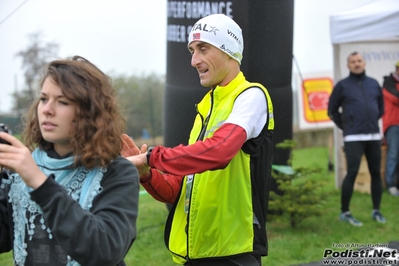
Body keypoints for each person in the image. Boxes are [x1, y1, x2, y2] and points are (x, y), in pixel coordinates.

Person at [121, 14, 274, 266]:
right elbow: (178, 191)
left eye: (203, 48)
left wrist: (152, 156)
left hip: (232, 253)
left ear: (229, 51)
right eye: (192, 50)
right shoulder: (205, 107)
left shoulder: (251, 96)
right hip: (193, 255)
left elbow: (220, 151)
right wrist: (147, 173)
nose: (194, 61)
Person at [0, 56, 139, 266]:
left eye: (62, 101)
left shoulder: (118, 173)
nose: (47, 109)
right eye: (44, 99)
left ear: (89, 112)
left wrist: (40, 184)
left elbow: (105, 249)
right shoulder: (19, 171)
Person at [328, 51, 385, 227]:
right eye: (353, 61)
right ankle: (345, 212)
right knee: (351, 173)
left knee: (376, 173)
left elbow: (381, 108)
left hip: (374, 135)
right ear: (348, 66)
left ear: (364, 63)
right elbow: (332, 110)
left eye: (359, 60)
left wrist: (372, 121)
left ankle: (376, 210)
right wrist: (347, 126)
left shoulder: (374, 84)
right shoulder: (342, 86)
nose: (357, 64)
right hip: (353, 137)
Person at [381, 61, 399, 196]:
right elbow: (396, 98)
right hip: (393, 124)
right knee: (393, 155)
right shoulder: (388, 83)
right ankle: (390, 184)